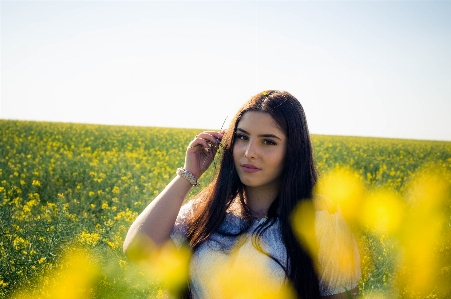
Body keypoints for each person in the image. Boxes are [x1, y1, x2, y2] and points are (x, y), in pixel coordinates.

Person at [123, 90, 361, 298]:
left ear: (293, 150)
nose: (249, 152)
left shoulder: (320, 221)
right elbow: (138, 250)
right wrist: (188, 174)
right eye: (242, 137)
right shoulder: (208, 212)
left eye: (268, 142)